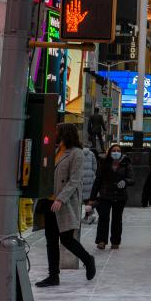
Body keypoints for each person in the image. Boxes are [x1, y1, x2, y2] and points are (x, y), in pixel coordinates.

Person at [35, 123, 96, 287]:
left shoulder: (76, 153)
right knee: (51, 240)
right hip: (49, 201)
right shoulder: (56, 150)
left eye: (57, 131)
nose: (54, 133)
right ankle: (53, 275)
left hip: (65, 202)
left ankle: (87, 259)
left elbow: (74, 180)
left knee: (67, 239)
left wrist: (60, 199)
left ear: (65, 133)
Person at [90, 143, 131, 249]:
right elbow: (97, 181)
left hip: (120, 195)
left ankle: (115, 241)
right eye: (114, 150)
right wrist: (92, 198)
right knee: (103, 218)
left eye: (118, 151)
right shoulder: (104, 163)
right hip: (105, 195)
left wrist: (125, 181)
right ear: (110, 152)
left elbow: (132, 179)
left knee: (117, 219)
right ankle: (101, 241)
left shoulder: (126, 163)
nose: (116, 153)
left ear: (121, 153)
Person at [80, 144, 98, 225]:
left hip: (81, 178)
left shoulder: (77, 153)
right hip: (90, 179)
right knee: (88, 199)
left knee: (83, 199)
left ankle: (90, 215)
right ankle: (88, 216)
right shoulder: (91, 154)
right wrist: (92, 174)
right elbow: (95, 167)